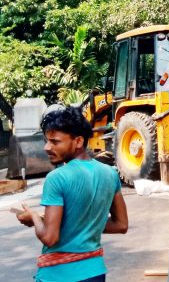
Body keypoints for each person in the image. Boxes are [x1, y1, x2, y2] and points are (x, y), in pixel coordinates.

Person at [15, 106, 128, 282]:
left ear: (78, 141)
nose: (47, 147)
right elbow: (121, 225)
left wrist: (35, 217)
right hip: (95, 273)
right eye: (47, 140)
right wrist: (81, 223)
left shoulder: (57, 178)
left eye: (55, 142)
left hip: (60, 275)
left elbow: (50, 238)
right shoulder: (110, 174)